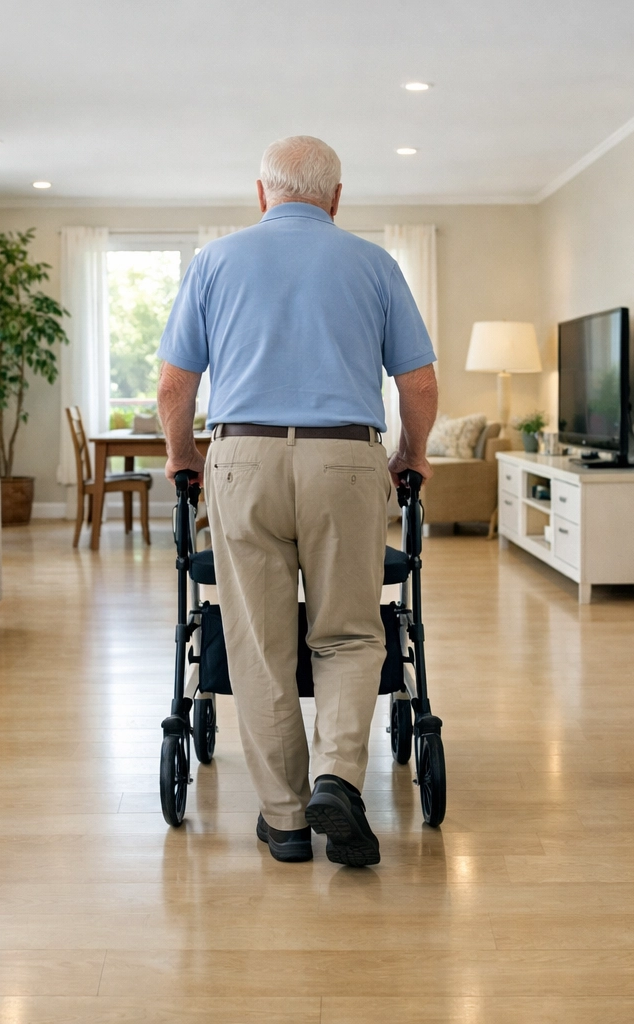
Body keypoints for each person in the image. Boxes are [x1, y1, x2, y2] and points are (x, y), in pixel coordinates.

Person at [156, 135, 439, 866]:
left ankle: (283, 821)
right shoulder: (374, 263)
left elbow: (173, 387)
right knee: (348, 632)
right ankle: (336, 780)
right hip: (346, 458)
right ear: (336, 199)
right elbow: (419, 385)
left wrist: (184, 457)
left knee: (259, 643)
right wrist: (412, 455)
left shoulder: (215, 262)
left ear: (261, 194)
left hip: (241, 456)